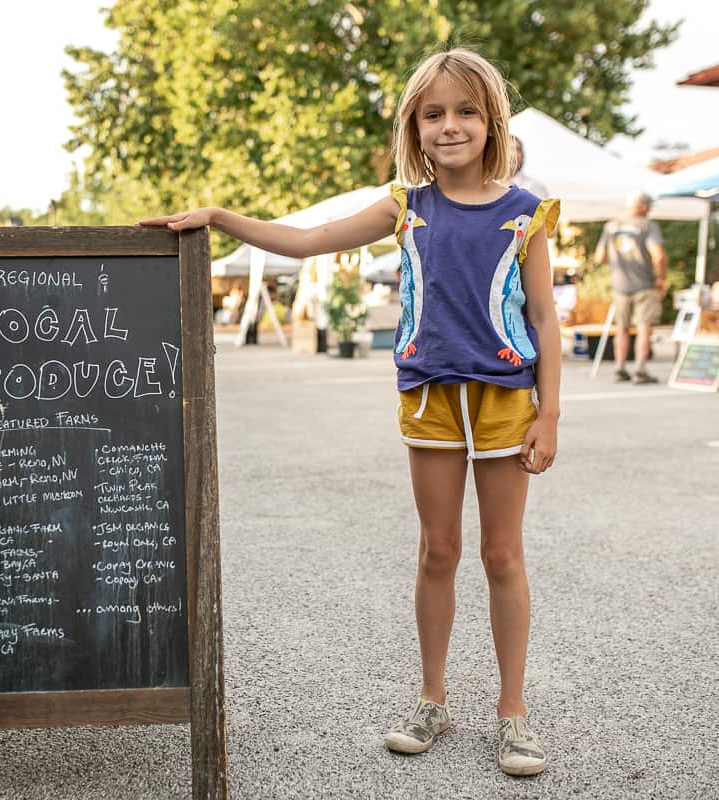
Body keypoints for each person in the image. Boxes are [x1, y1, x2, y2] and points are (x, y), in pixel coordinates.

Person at [140, 47, 561, 777]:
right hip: (429, 399)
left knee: (501, 555)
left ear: (491, 122)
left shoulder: (527, 215)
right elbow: (305, 241)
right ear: (415, 127)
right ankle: (433, 697)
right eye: (434, 114)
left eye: (465, 112)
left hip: (503, 401)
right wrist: (218, 216)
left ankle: (513, 713)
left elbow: (547, 320)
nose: (450, 126)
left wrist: (549, 414)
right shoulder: (405, 207)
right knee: (437, 552)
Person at [593, 192, 666, 383]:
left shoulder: (611, 226)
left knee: (622, 329)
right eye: (648, 207)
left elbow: (600, 257)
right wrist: (661, 277)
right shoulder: (647, 225)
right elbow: (658, 254)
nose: (649, 210)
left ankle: (620, 368)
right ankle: (640, 370)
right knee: (644, 327)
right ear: (642, 206)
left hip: (620, 284)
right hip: (644, 283)